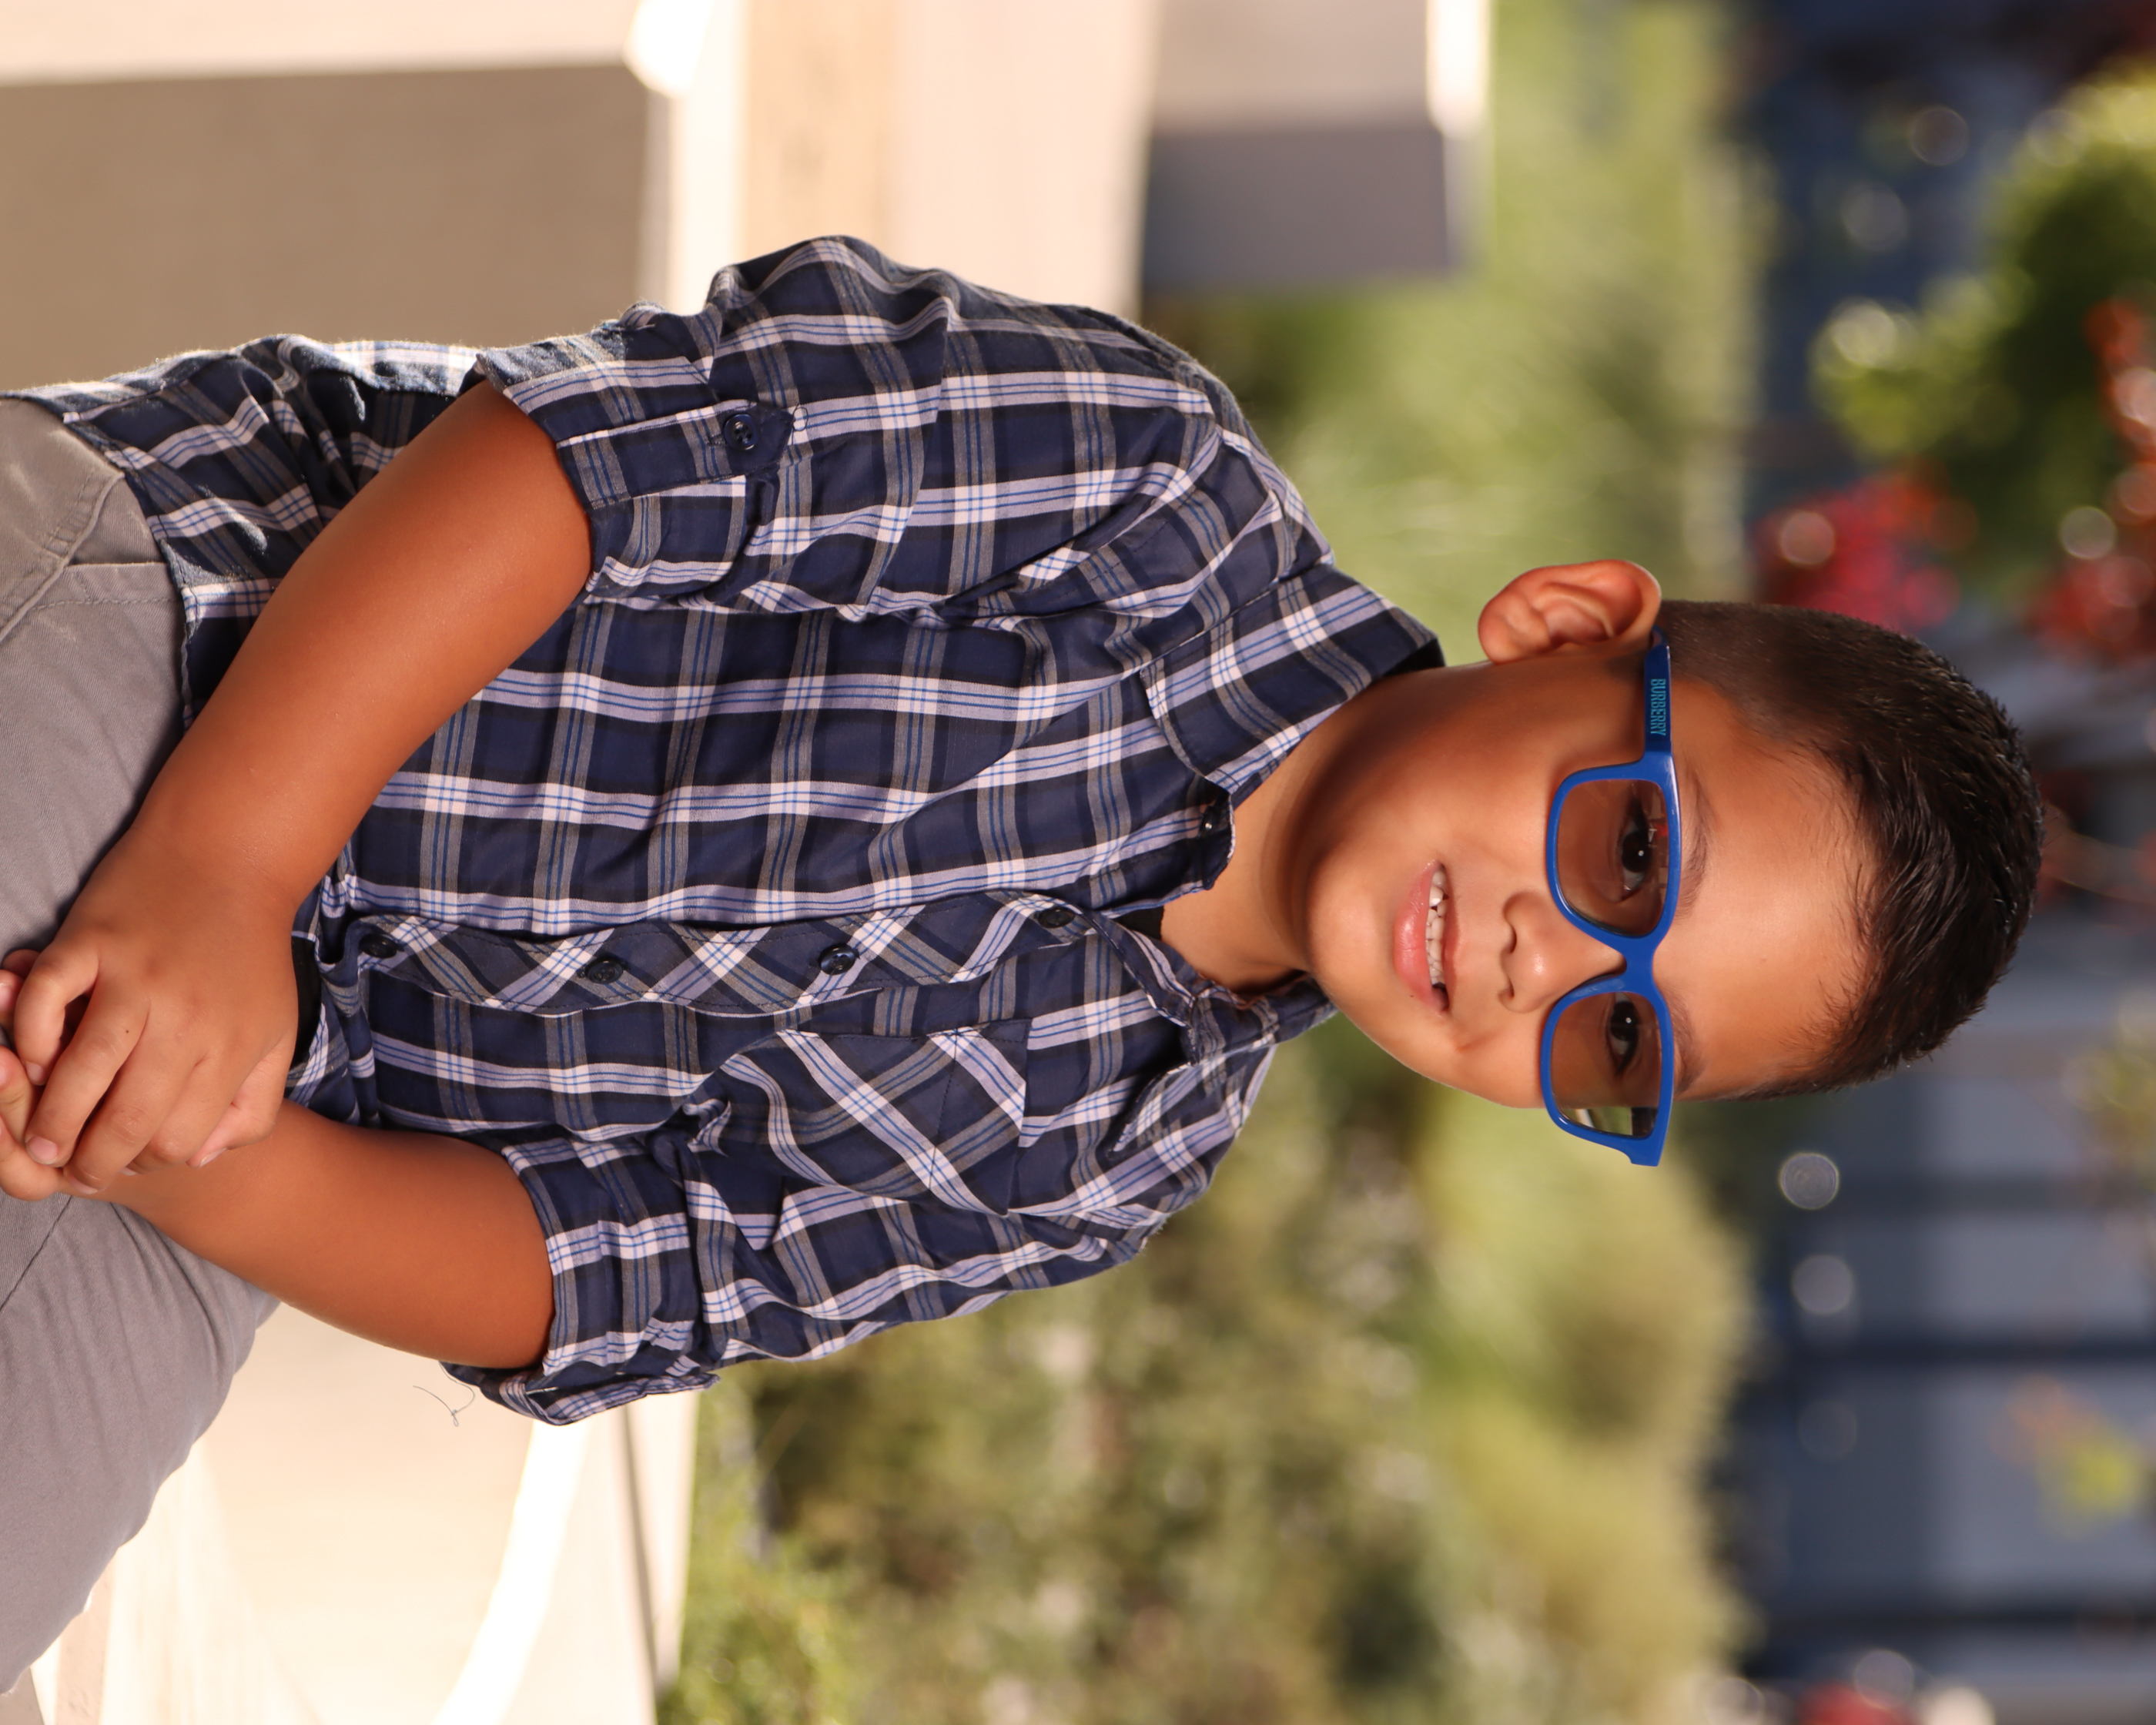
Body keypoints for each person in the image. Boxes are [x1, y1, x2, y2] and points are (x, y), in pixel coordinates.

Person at [0, 236, 2042, 1684]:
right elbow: (570, 476)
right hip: (195, 630)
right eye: (1627, 851)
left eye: (1616, 1040)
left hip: (251, 1118)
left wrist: (177, 1140)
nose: (1541, 961)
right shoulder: (1137, 487)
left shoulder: (1110, 1158)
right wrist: (222, 880)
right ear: (1570, 628)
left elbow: (594, 1268)